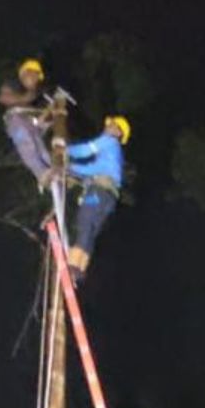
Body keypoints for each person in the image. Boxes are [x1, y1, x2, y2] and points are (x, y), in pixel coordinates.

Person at [65, 115, 130, 284]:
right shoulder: (115, 155)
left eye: (111, 125)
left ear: (118, 131)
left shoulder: (109, 141)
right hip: (108, 198)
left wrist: (65, 150)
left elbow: (87, 150)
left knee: (85, 222)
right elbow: (94, 170)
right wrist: (73, 171)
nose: (106, 128)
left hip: (98, 193)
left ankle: (72, 264)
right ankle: (80, 268)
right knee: (91, 231)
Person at [0, 58, 53, 188]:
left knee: (43, 152)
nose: (36, 79)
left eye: (37, 77)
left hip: (32, 124)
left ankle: (58, 174)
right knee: (27, 145)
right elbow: (3, 98)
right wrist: (23, 98)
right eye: (33, 75)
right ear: (24, 73)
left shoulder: (37, 94)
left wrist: (50, 114)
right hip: (16, 119)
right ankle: (41, 173)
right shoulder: (15, 84)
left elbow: (39, 120)